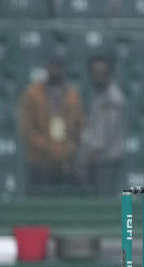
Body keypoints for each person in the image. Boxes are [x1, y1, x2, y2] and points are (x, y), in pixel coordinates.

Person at [17, 53, 84, 194]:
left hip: (65, 164)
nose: (55, 70)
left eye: (58, 67)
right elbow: (27, 128)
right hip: (38, 162)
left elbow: (79, 127)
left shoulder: (72, 95)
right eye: (52, 66)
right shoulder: (33, 93)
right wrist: (49, 148)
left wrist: (68, 150)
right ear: (46, 68)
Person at [78, 55, 126, 194]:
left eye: (102, 73)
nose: (98, 77)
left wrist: (89, 154)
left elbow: (106, 134)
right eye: (95, 73)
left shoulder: (113, 97)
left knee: (104, 202)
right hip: (96, 160)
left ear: (109, 73)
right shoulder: (98, 95)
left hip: (107, 161)